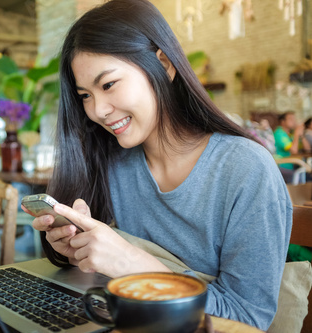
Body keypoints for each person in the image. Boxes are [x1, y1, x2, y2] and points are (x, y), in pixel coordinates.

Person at [23, 0, 291, 330]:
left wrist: (133, 263)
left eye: (108, 85)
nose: (97, 111)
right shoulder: (112, 163)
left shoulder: (246, 170)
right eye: (85, 95)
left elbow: (249, 319)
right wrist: (73, 247)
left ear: (164, 65)